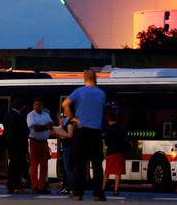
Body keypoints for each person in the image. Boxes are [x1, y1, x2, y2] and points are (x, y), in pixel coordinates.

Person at [62, 69, 106, 201]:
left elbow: (65, 104)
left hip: (81, 130)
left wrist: (71, 117)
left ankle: (78, 193)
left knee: (79, 163)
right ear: (95, 78)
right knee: (97, 164)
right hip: (96, 131)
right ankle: (98, 193)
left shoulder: (79, 91)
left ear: (84, 78)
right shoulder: (101, 93)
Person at [26, 97, 53, 194]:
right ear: (33, 106)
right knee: (34, 165)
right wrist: (46, 127)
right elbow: (35, 128)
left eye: (39, 104)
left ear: (42, 106)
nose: (37, 106)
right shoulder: (30, 115)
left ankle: (42, 187)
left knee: (44, 165)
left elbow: (52, 124)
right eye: (35, 104)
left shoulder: (45, 114)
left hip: (44, 142)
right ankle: (34, 186)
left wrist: (43, 127)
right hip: (35, 142)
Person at [3, 98, 29, 194]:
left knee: (12, 167)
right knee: (17, 167)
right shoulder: (19, 117)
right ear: (20, 107)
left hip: (10, 145)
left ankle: (10, 187)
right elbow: (23, 132)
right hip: (19, 146)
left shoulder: (7, 116)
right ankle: (17, 186)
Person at [102, 112, 127, 196]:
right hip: (120, 152)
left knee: (107, 171)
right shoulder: (122, 128)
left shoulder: (108, 129)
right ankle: (116, 189)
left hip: (111, 152)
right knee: (118, 172)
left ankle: (103, 188)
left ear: (109, 120)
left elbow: (107, 142)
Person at [53, 110, 75, 195]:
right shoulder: (69, 122)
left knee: (68, 168)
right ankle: (68, 187)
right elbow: (63, 133)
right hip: (67, 147)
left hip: (68, 147)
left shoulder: (70, 122)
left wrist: (57, 132)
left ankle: (71, 187)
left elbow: (69, 135)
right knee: (67, 168)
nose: (64, 113)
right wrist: (61, 123)